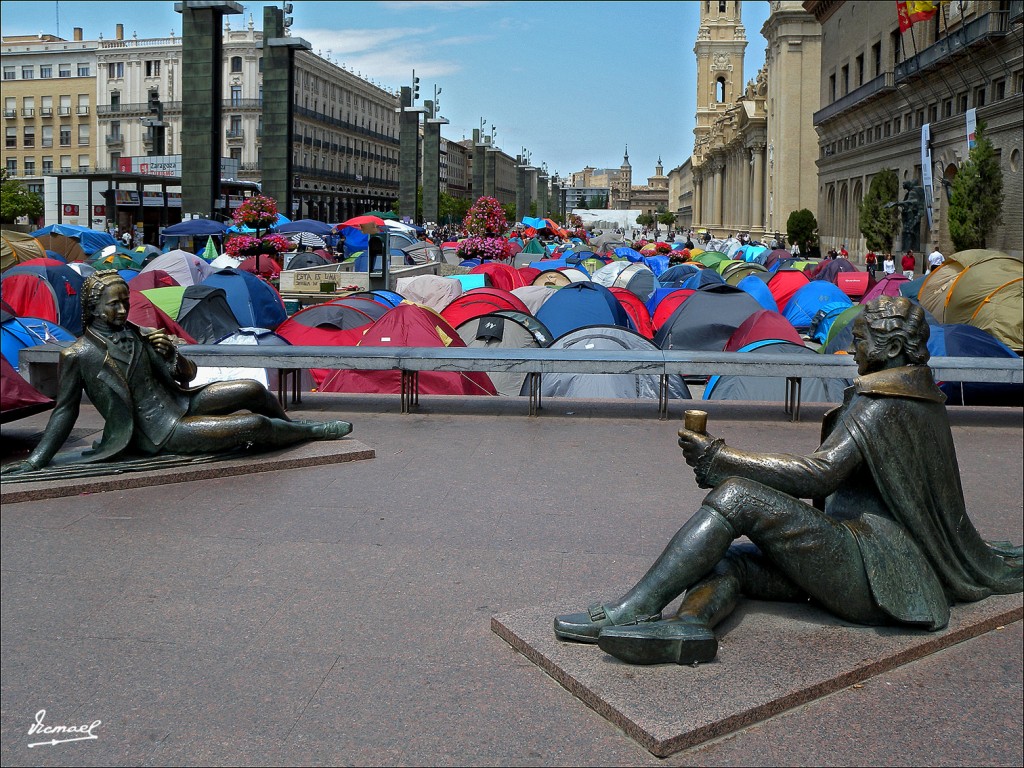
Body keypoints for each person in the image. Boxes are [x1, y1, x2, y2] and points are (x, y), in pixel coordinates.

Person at [553, 296, 1021, 665]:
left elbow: (820, 474)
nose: (851, 349)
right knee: (723, 560)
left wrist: (721, 459)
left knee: (736, 497)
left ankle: (631, 610)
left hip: (874, 573)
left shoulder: (884, 403)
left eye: (860, 340)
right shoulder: (918, 397)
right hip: (869, 564)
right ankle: (688, 628)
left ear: (893, 349)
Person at [2, 271, 352, 474]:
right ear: (93, 308)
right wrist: (36, 459)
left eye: (126, 301)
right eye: (114, 304)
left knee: (252, 389)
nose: (123, 309)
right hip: (156, 432)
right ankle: (312, 432)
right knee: (252, 425)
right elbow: (66, 410)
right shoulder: (78, 354)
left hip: (180, 403)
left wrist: (170, 352)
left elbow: (186, 375)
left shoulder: (137, 333)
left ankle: (291, 428)